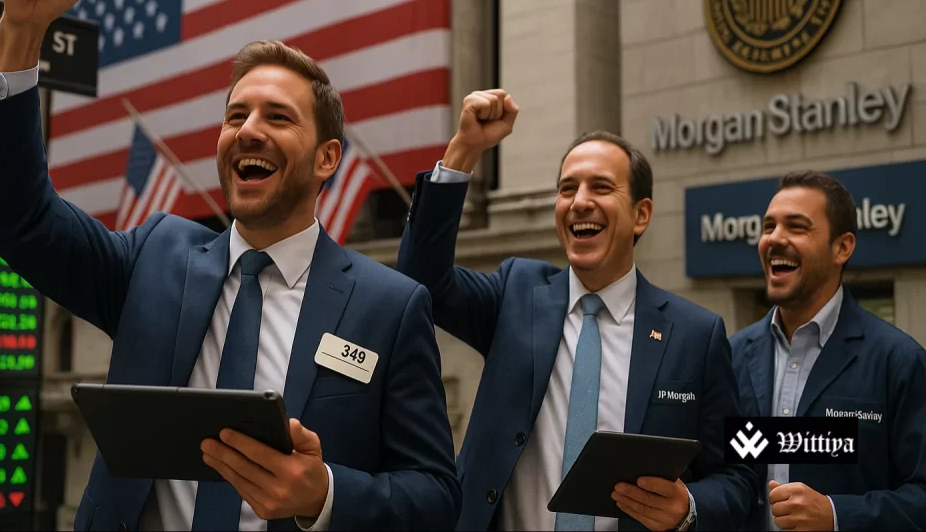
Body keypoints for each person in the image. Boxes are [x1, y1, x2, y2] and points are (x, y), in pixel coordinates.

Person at [0, 0, 460, 532]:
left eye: (277, 117)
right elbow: (18, 216)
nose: (247, 131)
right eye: (234, 115)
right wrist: (21, 32)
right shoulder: (152, 258)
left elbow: (436, 496)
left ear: (328, 159)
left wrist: (323, 493)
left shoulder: (391, 307)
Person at [395, 89, 758, 531]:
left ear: (641, 214)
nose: (579, 201)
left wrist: (689, 506)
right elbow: (421, 277)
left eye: (601, 187)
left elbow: (739, 477)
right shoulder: (516, 293)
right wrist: (464, 150)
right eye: (567, 189)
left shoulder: (697, 335)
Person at [730, 171, 926, 531]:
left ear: (843, 247)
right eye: (769, 226)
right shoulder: (732, 356)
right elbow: (725, 474)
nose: (775, 238)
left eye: (797, 227)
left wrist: (837, 515)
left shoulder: (898, 361)